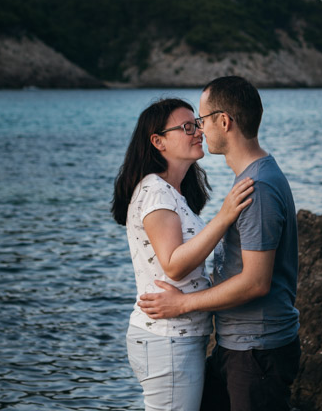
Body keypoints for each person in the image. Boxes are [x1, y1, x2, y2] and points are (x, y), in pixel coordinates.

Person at [138, 76, 300, 411]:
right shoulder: (250, 179)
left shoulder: (259, 188)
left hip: (256, 350)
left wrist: (182, 305)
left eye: (201, 120)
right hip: (238, 346)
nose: (200, 130)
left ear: (223, 121)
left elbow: (256, 282)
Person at [112, 97, 256, 411]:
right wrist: (225, 216)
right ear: (158, 141)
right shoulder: (155, 191)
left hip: (176, 337)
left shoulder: (172, 191)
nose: (198, 132)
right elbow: (174, 265)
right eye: (187, 127)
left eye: (197, 124)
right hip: (168, 339)